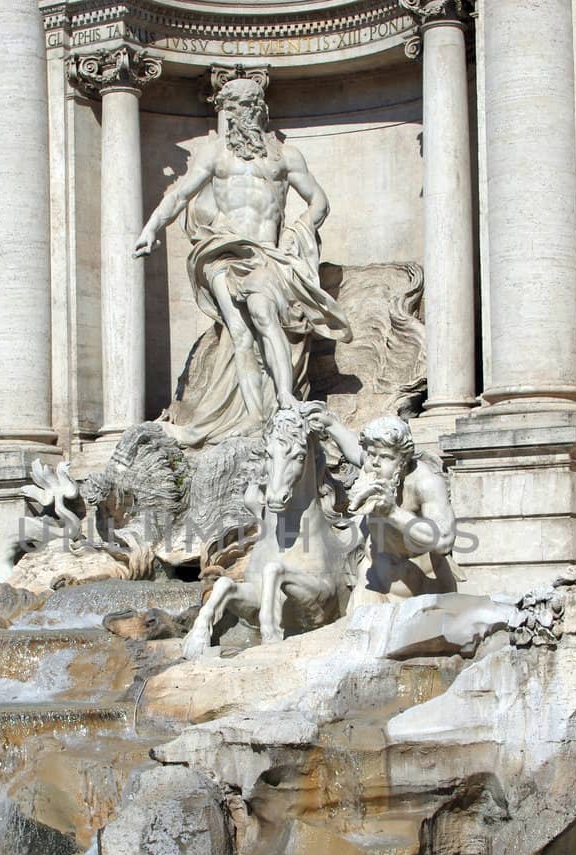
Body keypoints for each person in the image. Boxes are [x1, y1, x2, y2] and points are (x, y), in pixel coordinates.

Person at [134, 77, 351, 446]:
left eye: (243, 107)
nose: (237, 116)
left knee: (266, 316)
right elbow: (179, 195)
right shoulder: (214, 153)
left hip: (266, 252)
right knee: (239, 334)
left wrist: (295, 235)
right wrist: (151, 228)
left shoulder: (285, 156)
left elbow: (319, 201)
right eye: (231, 109)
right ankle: (253, 416)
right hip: (221, 251)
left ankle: (285, 401)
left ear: (259, 109)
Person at [313, 409, 458, 602]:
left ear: (403, 460)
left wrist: (392, 512)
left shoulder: (425, 482)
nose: (375, 463)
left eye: (386, 457)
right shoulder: (375, 463)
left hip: (425, 588)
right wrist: (330, 423)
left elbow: (444, 540)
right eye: (371, 454)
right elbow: (353, 450)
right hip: (376, 583)